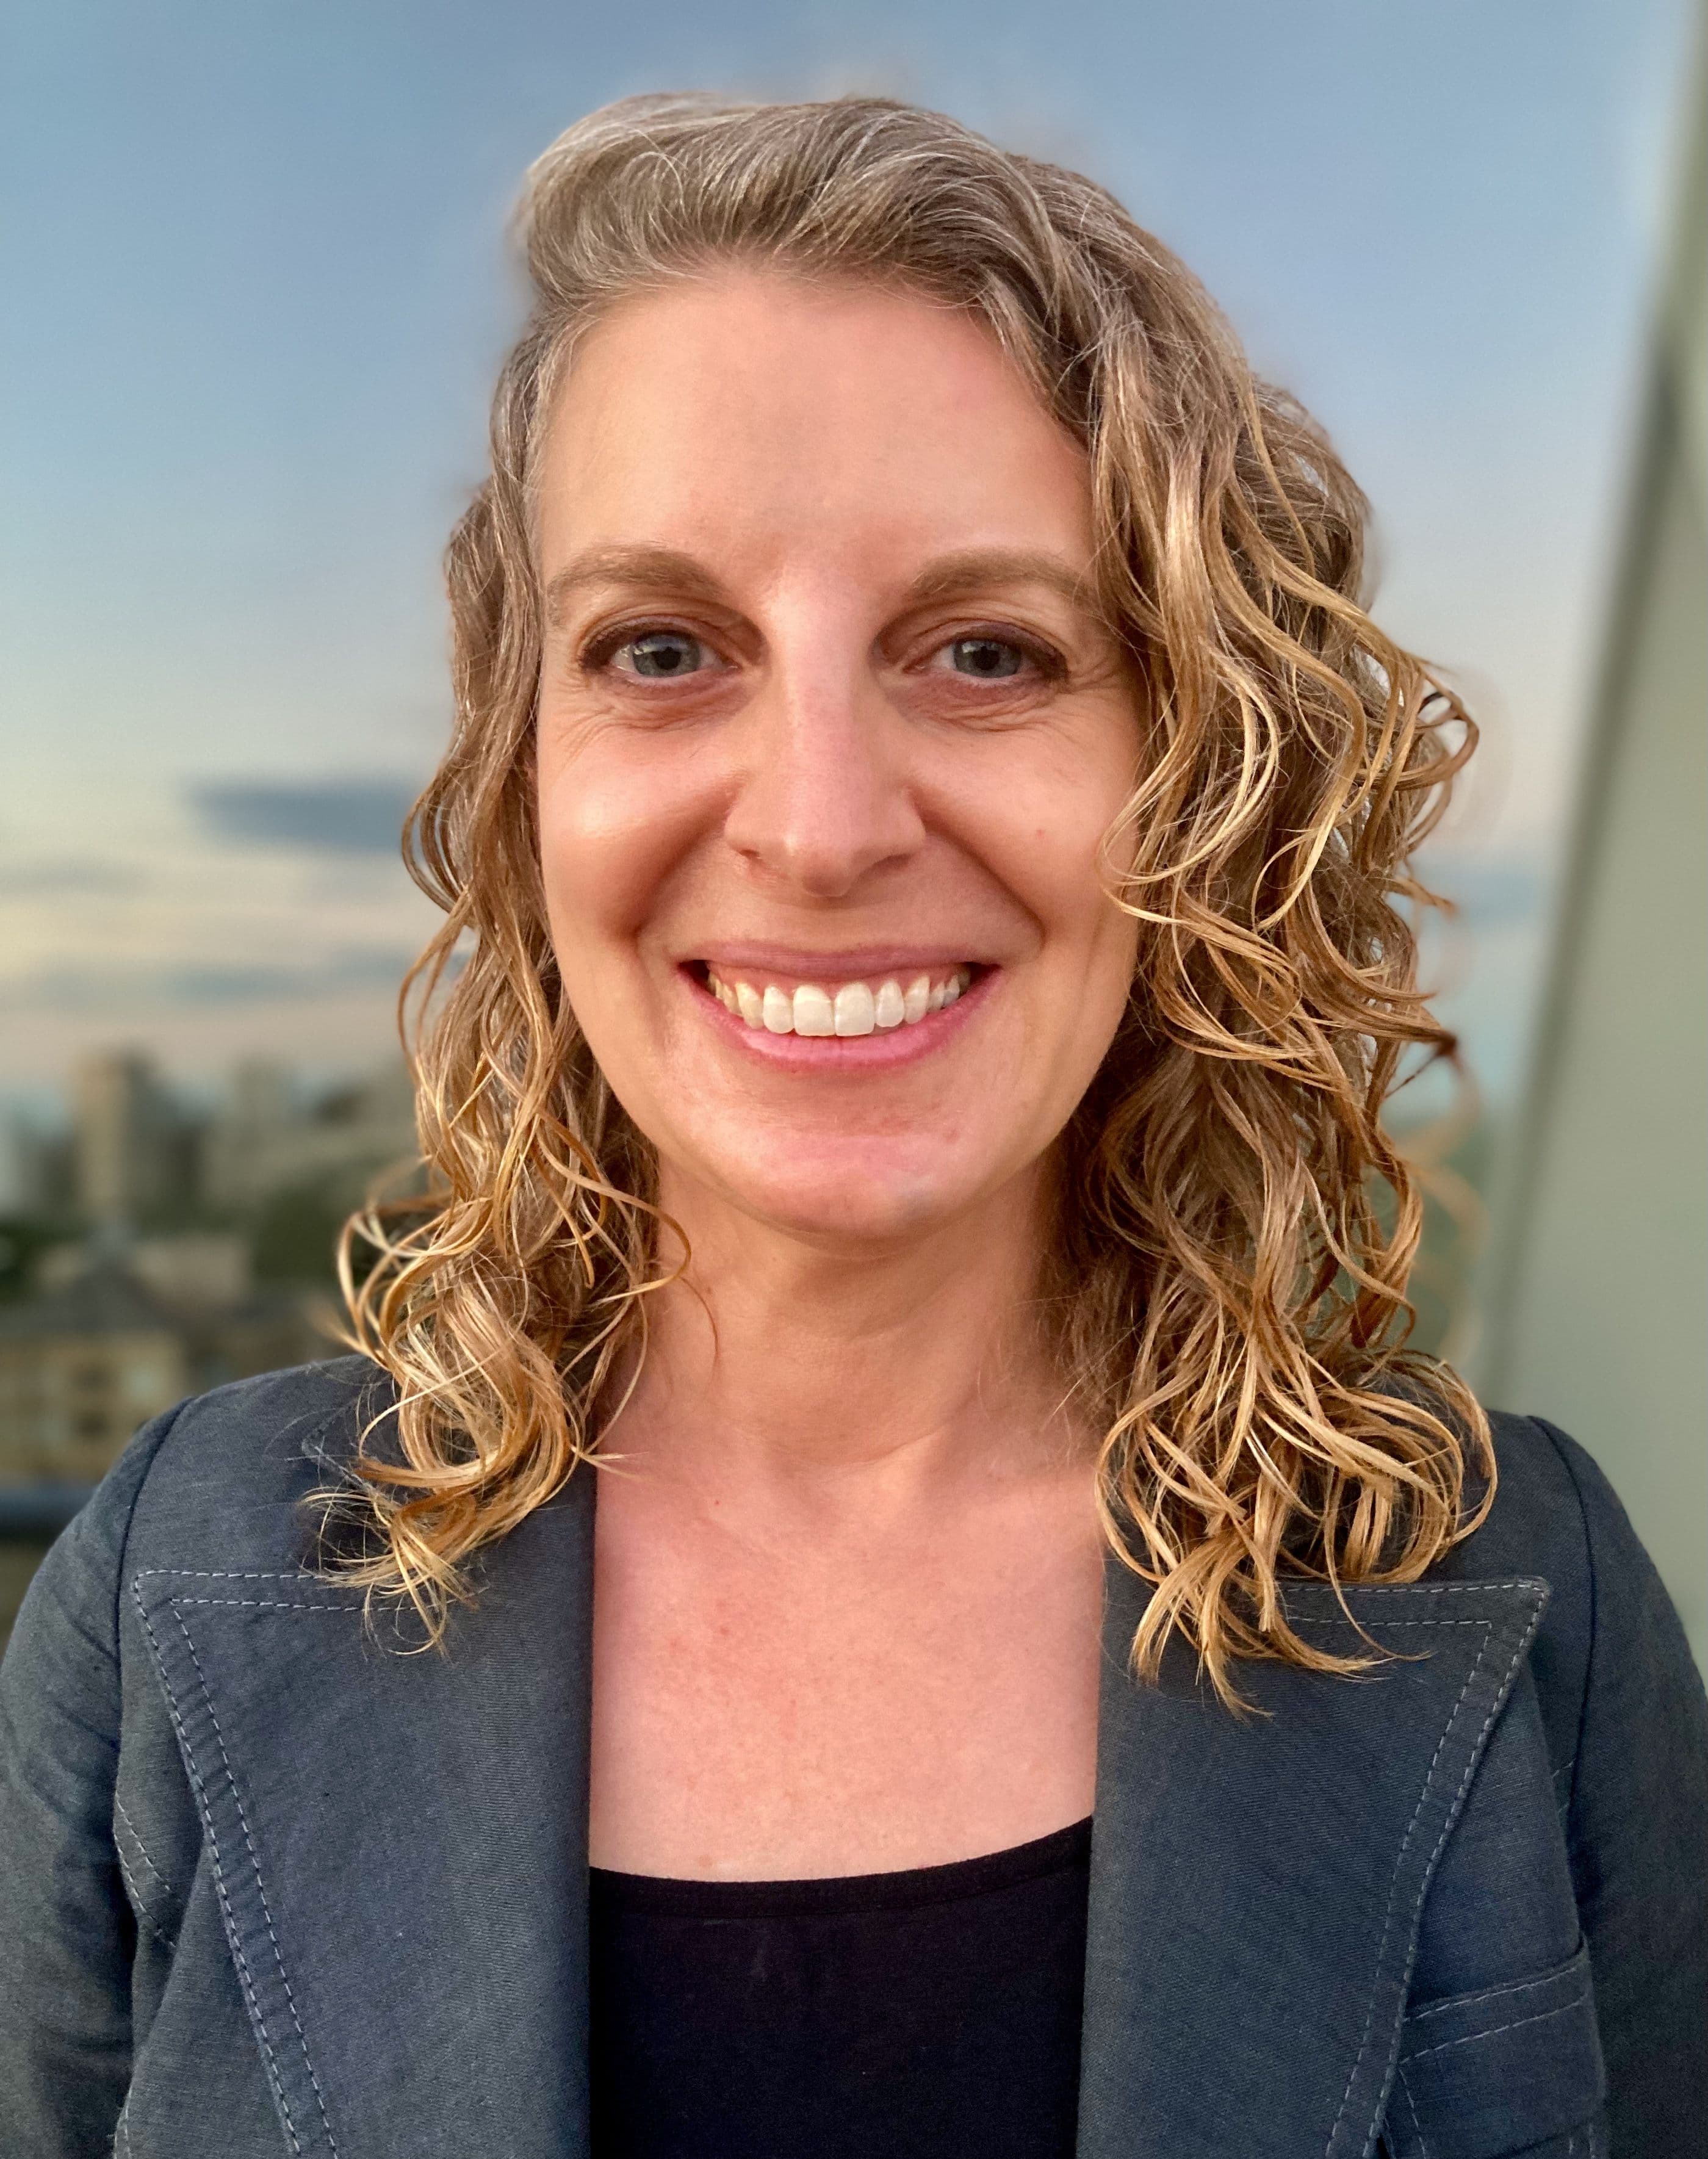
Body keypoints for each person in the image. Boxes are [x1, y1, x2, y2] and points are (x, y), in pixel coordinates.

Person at [2, 93, 1704, 2159]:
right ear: (525, 774)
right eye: (661, 648)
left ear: (1194, 773)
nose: (818, 827)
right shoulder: (168, 1580)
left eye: (989, 651)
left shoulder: (1529, 1592)